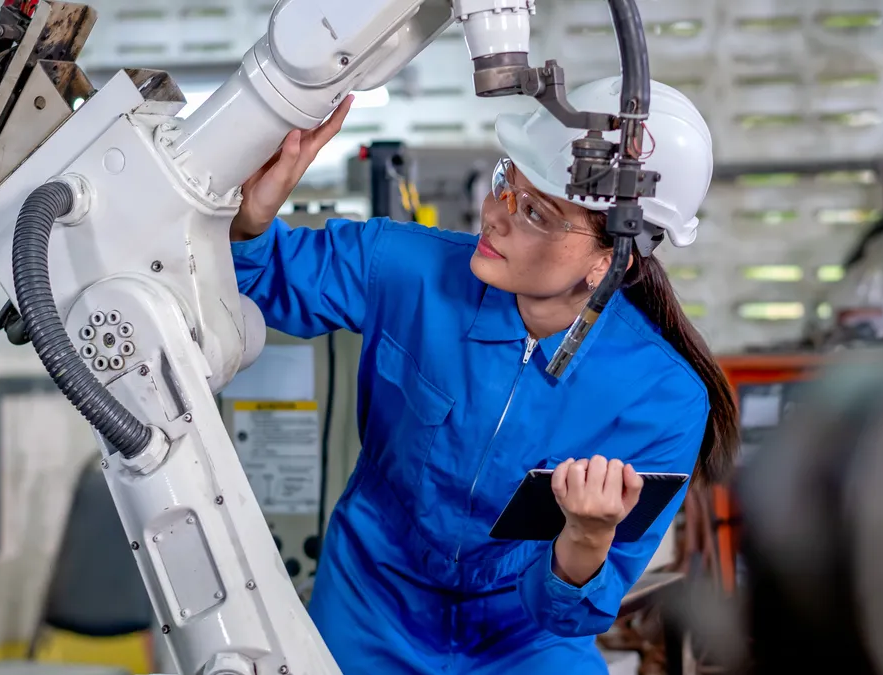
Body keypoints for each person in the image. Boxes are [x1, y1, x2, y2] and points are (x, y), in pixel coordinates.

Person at [230, 77, 739, 674]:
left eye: (534, 212)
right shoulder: (406, 269)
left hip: (525, 634)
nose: (494, 216)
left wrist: (587, 537)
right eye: (506, 182)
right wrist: (251, 220)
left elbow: (570, 616)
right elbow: (260, 279)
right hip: (373, 598)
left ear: (609, 259)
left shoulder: (664, 400)